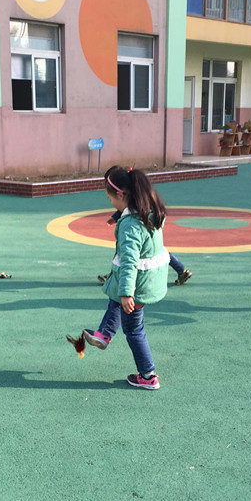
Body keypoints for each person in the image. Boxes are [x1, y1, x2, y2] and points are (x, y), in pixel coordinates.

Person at [82, 166, 168, 390]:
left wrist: (127, 293)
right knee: (115, 298)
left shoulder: (131, 225)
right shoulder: (149, 211)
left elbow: (130, 261)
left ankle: (148, 376)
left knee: (133, 329)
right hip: (149, 279)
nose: (111, 203)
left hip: (137, 284)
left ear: (121, 195)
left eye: (110, 198)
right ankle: (104, 334)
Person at [97, 209, 192, 286]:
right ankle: (182, 271)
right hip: (152, 225)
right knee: (157, 252)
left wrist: (115, 217)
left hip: (140, 226)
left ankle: (113, 277)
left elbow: (129, 205)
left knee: (128, 253)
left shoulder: (136, 196)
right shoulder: (150, 196)